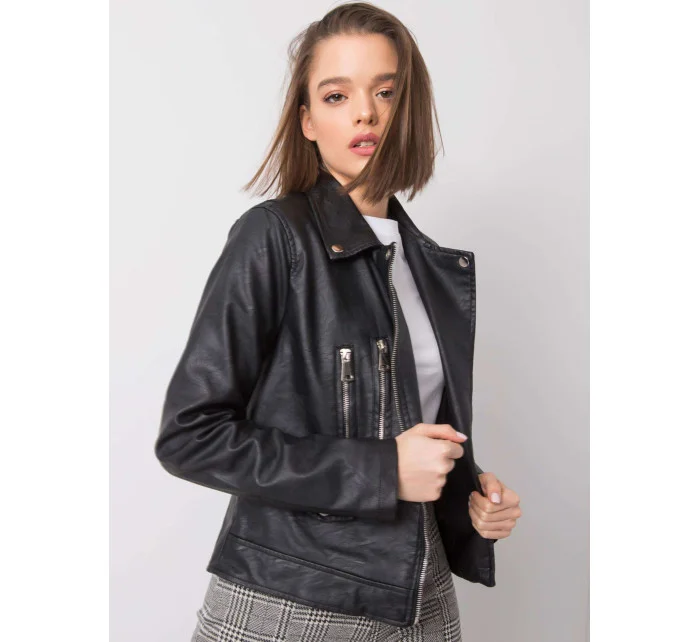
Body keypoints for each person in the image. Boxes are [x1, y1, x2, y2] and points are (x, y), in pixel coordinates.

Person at [155, 2, 522, 640]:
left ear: (410, 107)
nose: (365, 113)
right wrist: (383, 470)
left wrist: (469, 503)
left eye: (386, 91)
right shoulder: (273, 238)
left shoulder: (429, 264)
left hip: (422, 595)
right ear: (307, 121)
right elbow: (190, 436)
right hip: (294, 600)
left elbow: (404, 425)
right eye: (336, 95)